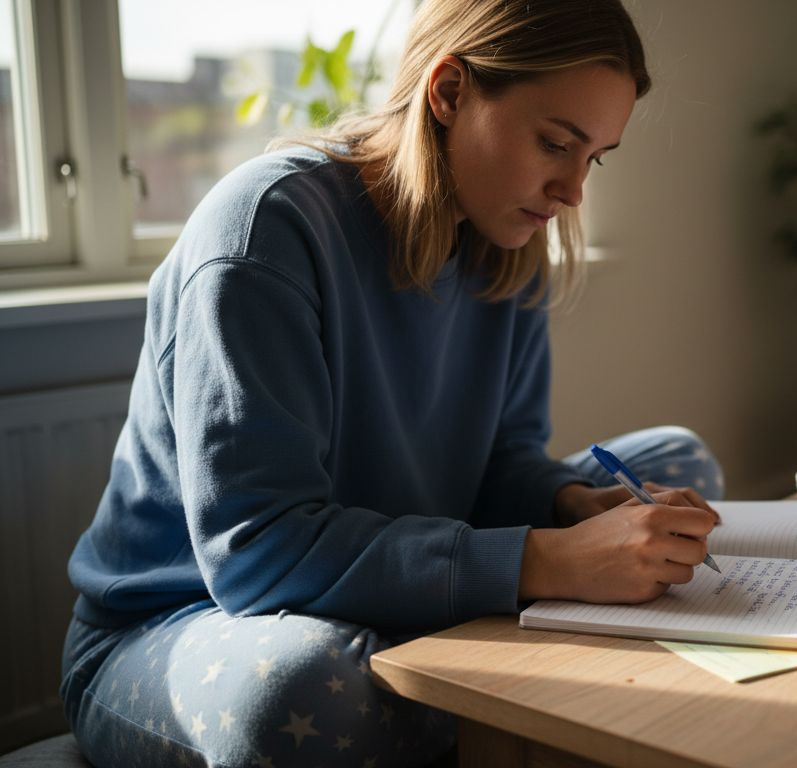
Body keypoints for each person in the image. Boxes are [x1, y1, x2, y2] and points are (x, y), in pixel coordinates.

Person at [60, 1, 724, 766]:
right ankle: (510, 697)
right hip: (186, 620)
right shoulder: (265, 232)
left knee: (675, 467)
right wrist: (551, 561)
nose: (573, 191)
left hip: (376, 581)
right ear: (448, 92)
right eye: (554, 144)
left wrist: (569, 504)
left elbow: (503, 458)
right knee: (301, 693)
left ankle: (483, 689)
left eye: (594, 158)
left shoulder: (505, 242)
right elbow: (257, 552)